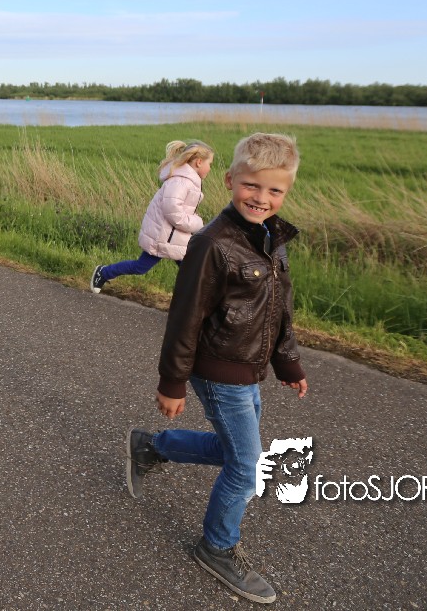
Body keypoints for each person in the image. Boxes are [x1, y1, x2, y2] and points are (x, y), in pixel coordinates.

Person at [125, 132, 307, 605]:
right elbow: (185, 316)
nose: (261, 197)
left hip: (249, 367)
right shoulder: (211, 244)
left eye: (274, 190)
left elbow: (278, 308)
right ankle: (217, 546)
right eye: (251, 185)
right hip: (217, 369)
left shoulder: (272, 239)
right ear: (229, 181)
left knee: (237, 453)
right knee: (247, 466)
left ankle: (151, 447)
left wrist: (287, 361)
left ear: (286, 191)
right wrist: (172, 381)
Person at [90, 140, 214, 293]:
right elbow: (173, 212)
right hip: (162, 236)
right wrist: (197, 223)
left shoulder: (189, 181)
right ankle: (103, 272)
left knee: (191, 270)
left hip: (175, 237)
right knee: (141, 267)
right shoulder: (181, 182)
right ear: (199, 162)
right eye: (210, 164)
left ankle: (197, 301)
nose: (210, 168)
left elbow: (182, 211)